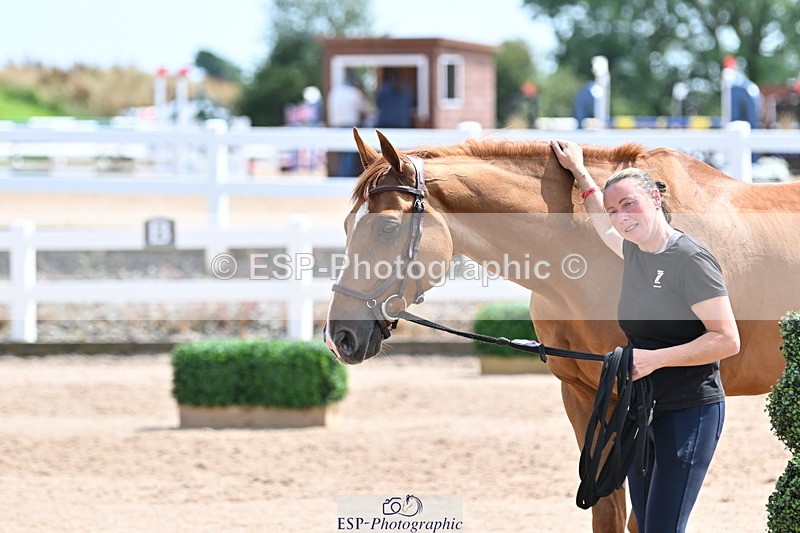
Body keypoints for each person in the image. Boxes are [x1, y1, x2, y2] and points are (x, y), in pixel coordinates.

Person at [550, 139, 740, 533]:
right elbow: (603, 226)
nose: (621, 217)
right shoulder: (636, 251)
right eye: (615, 210)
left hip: (688, 413)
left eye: (629, 204)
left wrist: (653, 359)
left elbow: (726, 339)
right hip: (642, 412)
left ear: (654, 198)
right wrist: (580, 172)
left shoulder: (689, 259)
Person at [326, 75, 370, 177]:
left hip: (336, 126)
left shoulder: (335, 92)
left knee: (342, 154)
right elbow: (366, 109)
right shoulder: (354, 93)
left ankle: (341, 177)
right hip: (350, 125)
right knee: (349, 155)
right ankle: (346, 177)